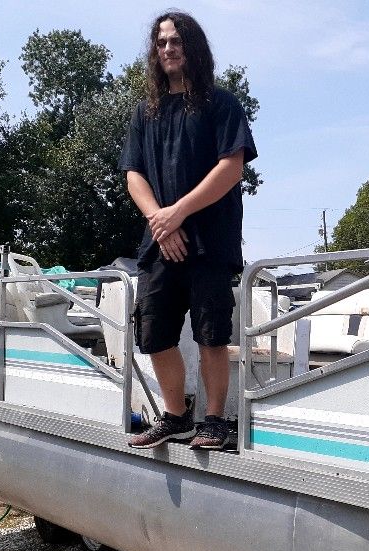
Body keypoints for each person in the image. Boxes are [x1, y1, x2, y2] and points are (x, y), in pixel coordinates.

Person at [119, 10, 257, 450]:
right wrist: (161, 223)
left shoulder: (221, 104)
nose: (167, 49)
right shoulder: (146, 112)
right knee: (154, 333)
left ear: (192, 47)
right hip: (161, 243)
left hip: (208, 244)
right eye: (160, 43)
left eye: (175, 41)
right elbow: (133, 175)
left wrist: (176, 213)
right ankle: (176, 416)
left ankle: (214, 421)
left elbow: (231, 168)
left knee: (211, 335)